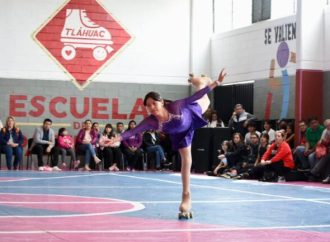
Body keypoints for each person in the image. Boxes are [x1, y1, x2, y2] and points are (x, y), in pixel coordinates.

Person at [108, 69, 227, 219]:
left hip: (191, 112)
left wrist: (217, 82)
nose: (151, 107)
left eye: (154, 103)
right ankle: (186, 195)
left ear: (162, 102)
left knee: (205, 98)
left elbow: (196, 96)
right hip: (179, 133)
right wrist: (116, 138)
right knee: (186, 160)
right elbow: (132, 132)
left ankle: (199, 80)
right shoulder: (151, 121)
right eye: (148, 105)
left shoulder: (176, 106)